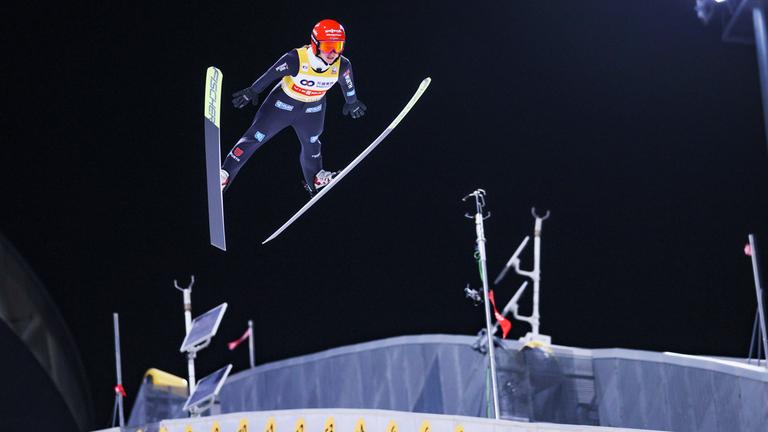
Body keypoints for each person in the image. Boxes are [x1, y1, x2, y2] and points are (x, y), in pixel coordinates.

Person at [221, 19, 367, 196]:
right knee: (255, 137)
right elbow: (271, 74)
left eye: (338, 46)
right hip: (282, 105)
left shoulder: (343, 65)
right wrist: (252, 91)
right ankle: (225, 174)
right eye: (328, 46)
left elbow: (347, 84)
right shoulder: (296, 58)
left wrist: (352, 101)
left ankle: (316, 179)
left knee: (312, 143)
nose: (333, 52)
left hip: (313, 109)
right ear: (315, 44)